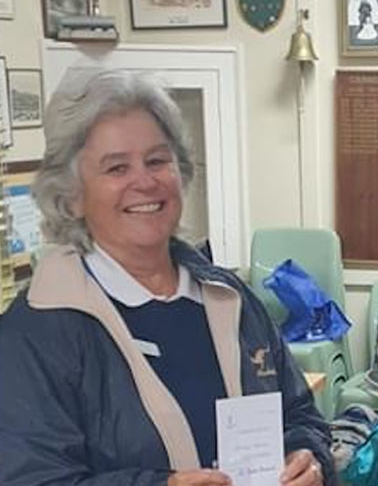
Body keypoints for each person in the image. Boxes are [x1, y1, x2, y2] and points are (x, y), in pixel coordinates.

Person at [0, 69, 335, 486]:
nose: (145, 181)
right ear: (72, 196)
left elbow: (300, 415)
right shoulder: (34, 333)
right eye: (116, 168)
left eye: (157, 160)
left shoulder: (229, 298)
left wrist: (310, 458)